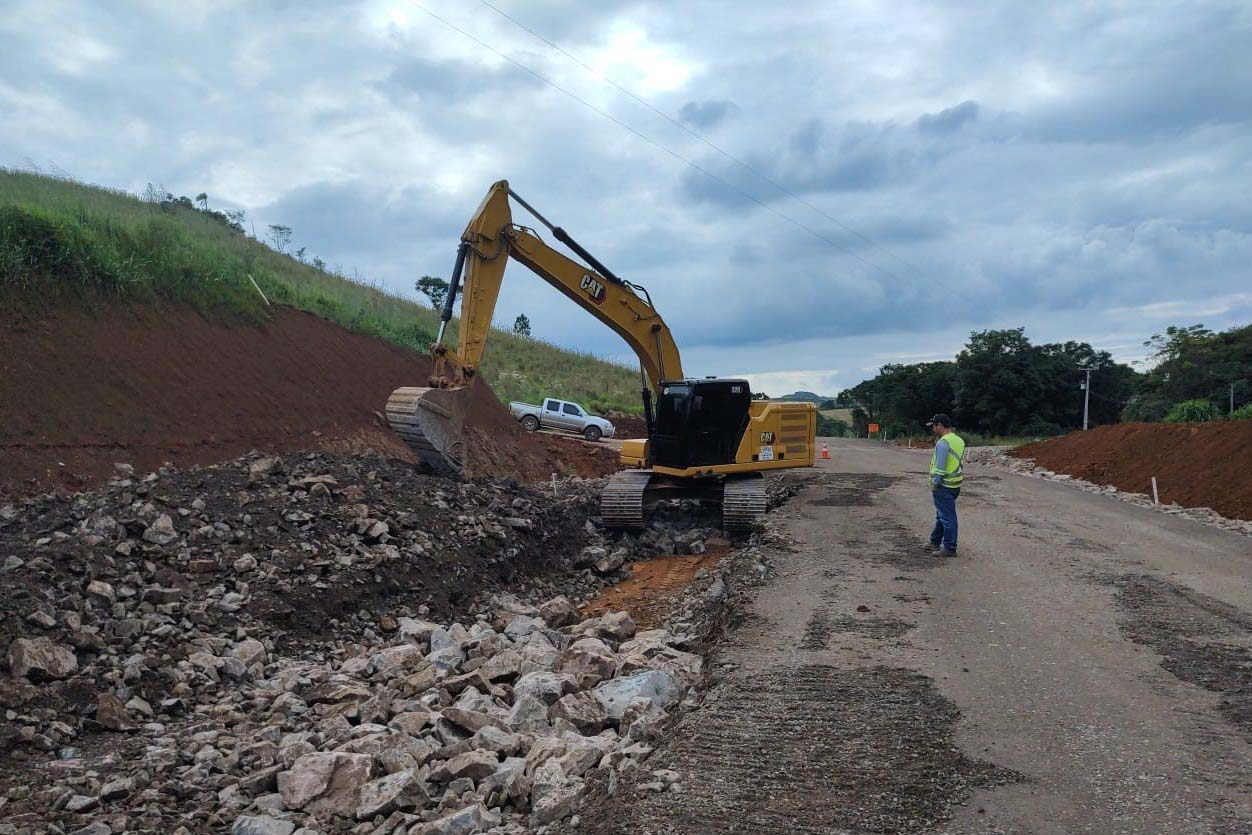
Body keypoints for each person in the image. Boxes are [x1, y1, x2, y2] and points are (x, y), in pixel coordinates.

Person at [924, 413, 965, 557]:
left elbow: (940, 467)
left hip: (943, 485)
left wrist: (935, 482)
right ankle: (934, 541)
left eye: (934, 426)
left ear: (940, 425)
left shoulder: (943, 442)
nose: (933, 429)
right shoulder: (959, 440)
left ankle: (949, 547)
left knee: (947, 517)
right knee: (942, 515)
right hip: (955, 485)